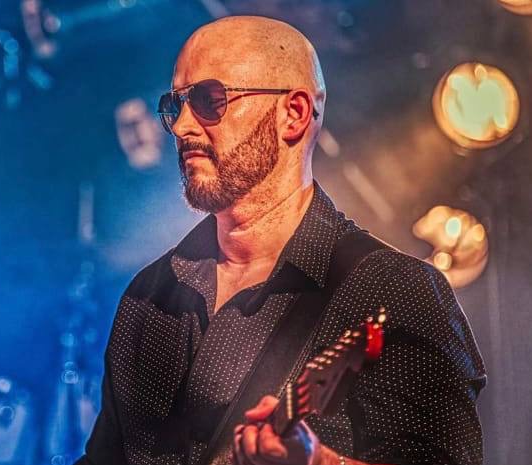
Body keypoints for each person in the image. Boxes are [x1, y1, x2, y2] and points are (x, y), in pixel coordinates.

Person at [76, 15, 486, 465]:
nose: (181, 126)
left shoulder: (395, 291)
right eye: (176, 105)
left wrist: (317, 462)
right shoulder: (148, 296)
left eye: (210, 100)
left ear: (293, 114)